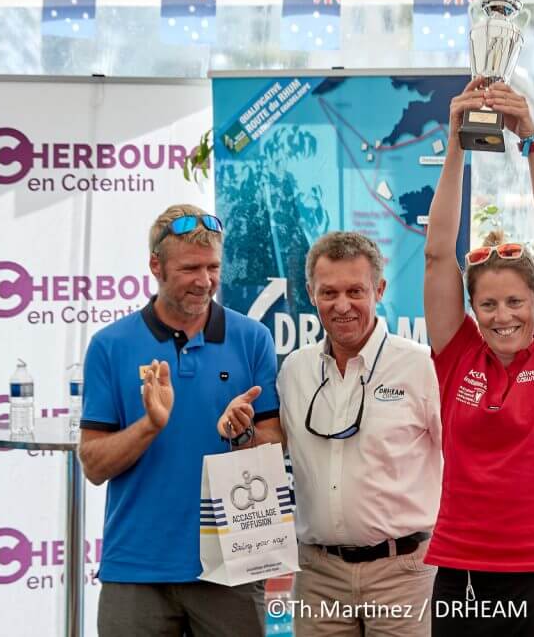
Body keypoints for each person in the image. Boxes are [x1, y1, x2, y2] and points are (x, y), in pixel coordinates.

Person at [423, 77, 534, 636]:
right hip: (466, 572)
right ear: (472, 309)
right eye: (488, 304)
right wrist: (457, 143)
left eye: (515, 302)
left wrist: (533, 143)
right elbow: (437, 254)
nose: (502, 316)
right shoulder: (458, 357)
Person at [217, 231, 442, 637]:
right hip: (319, 577)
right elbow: (273, 452)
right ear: (311, 293)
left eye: (355, 291)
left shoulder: (420, 366)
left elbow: (462, 458)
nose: (342, 305)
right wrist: (242, 431)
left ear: (379, 290)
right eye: (329, 292)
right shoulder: (294, 370)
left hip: (404, 574)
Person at [79, 203, 280, 636]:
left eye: (213, 267)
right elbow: (93, 465)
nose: (204, 281)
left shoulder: (252, 338)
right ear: (156, 266)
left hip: (234, 564)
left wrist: (242, 433)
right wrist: (150, 425)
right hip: (136, 568)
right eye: (190, 268)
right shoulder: (110, 345)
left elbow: (274, 445)